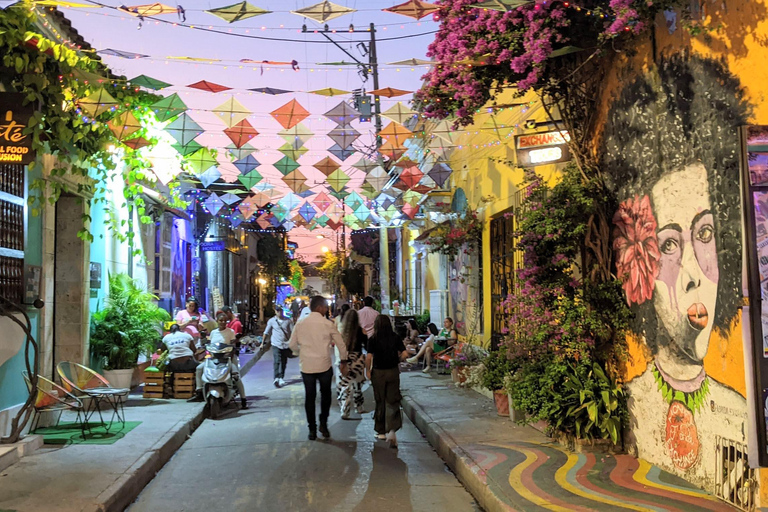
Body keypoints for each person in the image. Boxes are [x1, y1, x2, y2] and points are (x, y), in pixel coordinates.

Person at [289, 295, 348, 440]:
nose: (327, 309)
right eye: (325, 307)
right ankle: (323, 423)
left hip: (307, 366)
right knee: (326, 396)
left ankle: (312, 429)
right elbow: (341, 344)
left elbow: (291, 344)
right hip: (324, 365)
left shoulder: (301, 323)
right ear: (320, 307)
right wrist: (344, 361)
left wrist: (299, 352)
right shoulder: (328, 324)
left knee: (310, 397)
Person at [190, 312, 247, 409]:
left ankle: (243, 399)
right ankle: (199, 390)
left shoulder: (230, 332)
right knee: (199, 369)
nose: (223, 322)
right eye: (221, 320)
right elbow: (210, 345)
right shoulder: (213, 332)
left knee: (236, 376)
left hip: (227, 358)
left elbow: (233, 344)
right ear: (217, 321)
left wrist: (230, 352)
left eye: (225, 321)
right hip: (214, 359)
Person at [366, 315, 407, 448]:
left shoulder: (373, 339)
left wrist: (368, 370)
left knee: (380, 400)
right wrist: (398, 360)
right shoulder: (395, 337)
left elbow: (368, 357)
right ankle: (392, 430)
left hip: (378, 373)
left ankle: (381, 431)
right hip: (393, 371)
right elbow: (405, 353)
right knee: (392, 399)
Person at [336, 309, 368, 419]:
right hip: (358, 359)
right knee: (358, 385)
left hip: (346, 358)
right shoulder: (361, 331)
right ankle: (359, 406)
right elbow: (367, 346)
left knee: (345, 384)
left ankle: (345, 407)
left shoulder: (343, 332)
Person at [264, 306, 293, 388]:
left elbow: (293, 332)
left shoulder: (288, 321)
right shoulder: (272, 321)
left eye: (280, 310)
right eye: (277, 311)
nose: (279, 312)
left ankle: (281, 377)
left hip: (286, 344)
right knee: (277, 360)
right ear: (275, 312)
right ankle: (276, 377)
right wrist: (262, 343)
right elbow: (266, 332)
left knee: (284, 361)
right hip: (276, 344)